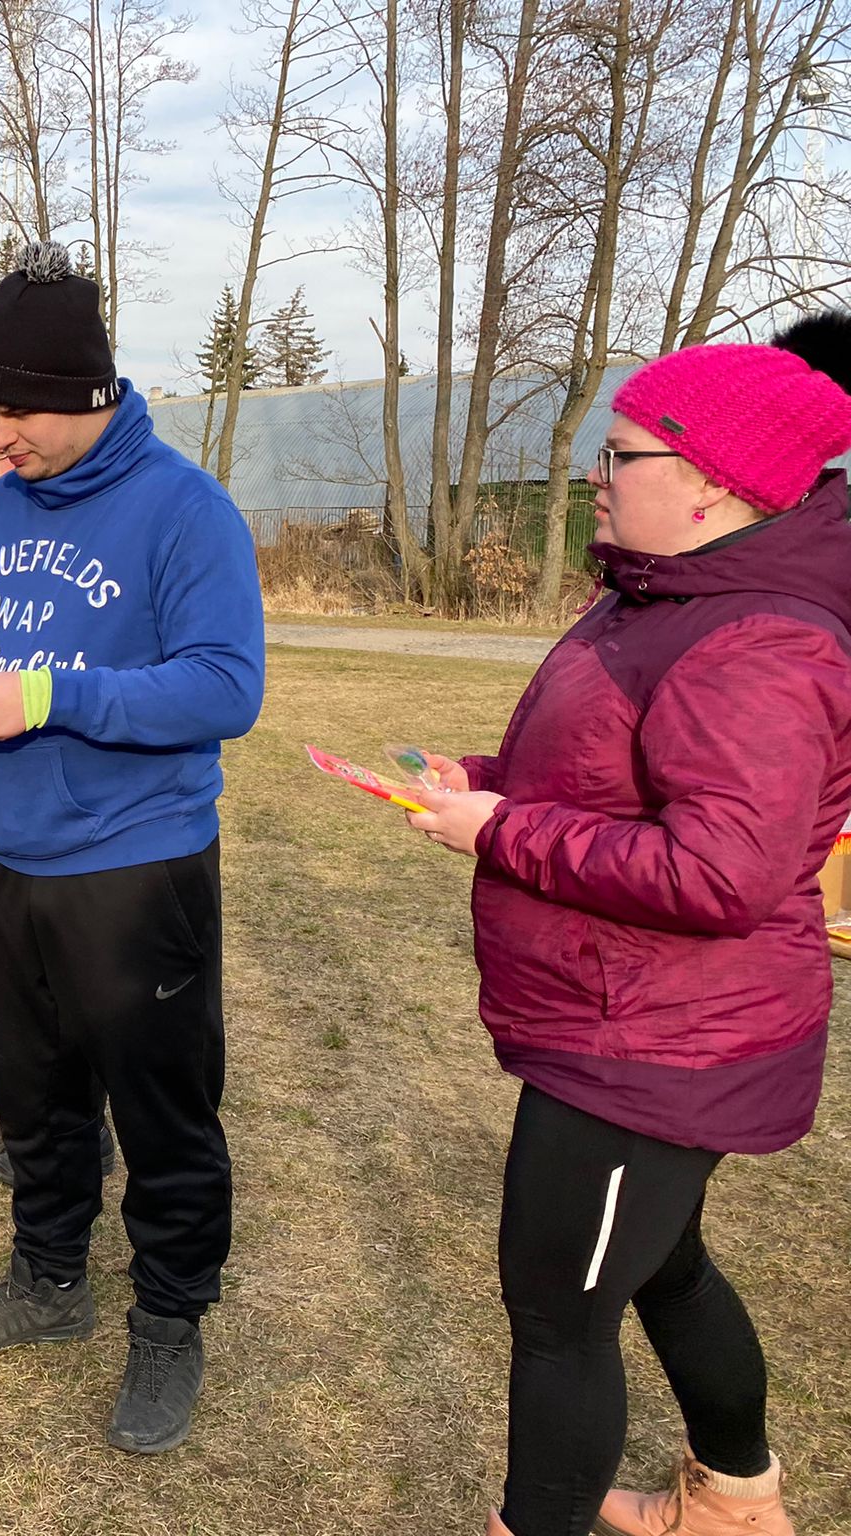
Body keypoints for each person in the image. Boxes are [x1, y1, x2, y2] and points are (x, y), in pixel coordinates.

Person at [403, 319, 851, 1536]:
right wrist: (483, 780)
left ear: (709, 485)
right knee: (661, 1265)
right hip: (627, 1014)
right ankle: (734, 1503)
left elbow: (720, 871)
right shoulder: (662, 594)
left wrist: (502, 830)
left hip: (654, 1041)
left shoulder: (757, 640)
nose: (594, 477)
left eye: (620, 455)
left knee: (559, 1318)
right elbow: (612, 771)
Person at [0, 241, 264, 1454]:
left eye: (13, 414)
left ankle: (168, 1323)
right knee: (35, 1100)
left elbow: (224, 686)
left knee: (163, 1114)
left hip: (135, 866)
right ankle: (48, 1279)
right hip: (10, 850)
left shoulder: (186, 511)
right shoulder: (2, 510)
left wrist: (46, 696)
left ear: (86, 394)